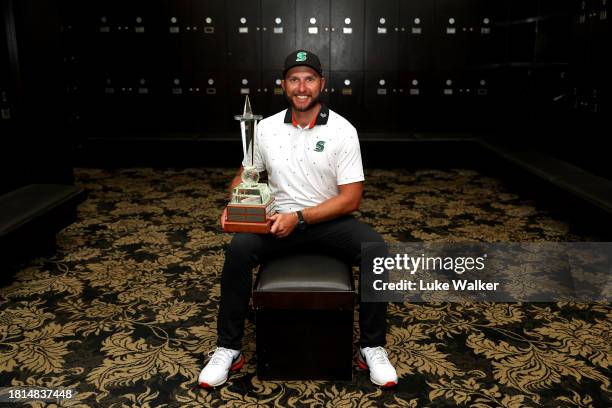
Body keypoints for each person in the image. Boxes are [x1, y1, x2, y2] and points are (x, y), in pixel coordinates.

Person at [199, 50, 398, 388]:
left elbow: (351, 199)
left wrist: (301, 218)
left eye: (309, 79)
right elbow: (246, 175)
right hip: (276, 220)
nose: (301, 87)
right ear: (284, 85)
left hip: (327, 220)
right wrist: (236, 204)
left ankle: (372, 347)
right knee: (237, 251)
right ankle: (228, 348)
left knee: (375, 249)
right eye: (294, 79)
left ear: (321, 83)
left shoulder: (342, 130)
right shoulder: (265, 128)